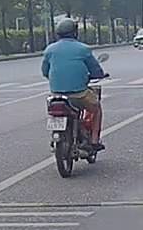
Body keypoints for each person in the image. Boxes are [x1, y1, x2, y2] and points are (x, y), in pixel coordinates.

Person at [42, 17, 107, 150]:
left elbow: (45, 71)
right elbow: (96, 71)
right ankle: (94, 140)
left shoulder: (50, 50)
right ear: (75, 32)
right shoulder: (83, 49)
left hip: (56, 95)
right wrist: (98, 75)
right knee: (96, 109)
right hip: (79, 94)